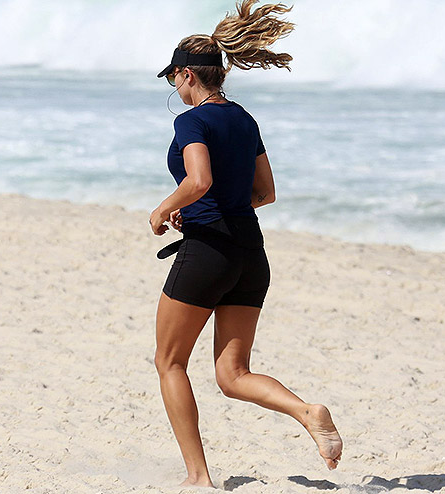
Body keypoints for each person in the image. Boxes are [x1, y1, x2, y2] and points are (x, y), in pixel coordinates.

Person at [149, 0, 342, 488]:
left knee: (169, 361)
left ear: (188, 75)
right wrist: (207, 205)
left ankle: (198, 478)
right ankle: (307, 411)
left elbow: (199, 179)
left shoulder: (191, 121)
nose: (174, 86)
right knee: (233, 375)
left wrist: (164, 207)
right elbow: (266, 193)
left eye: (174, 77)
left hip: (209, 252)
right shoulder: (244, 118)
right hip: (249, 256)